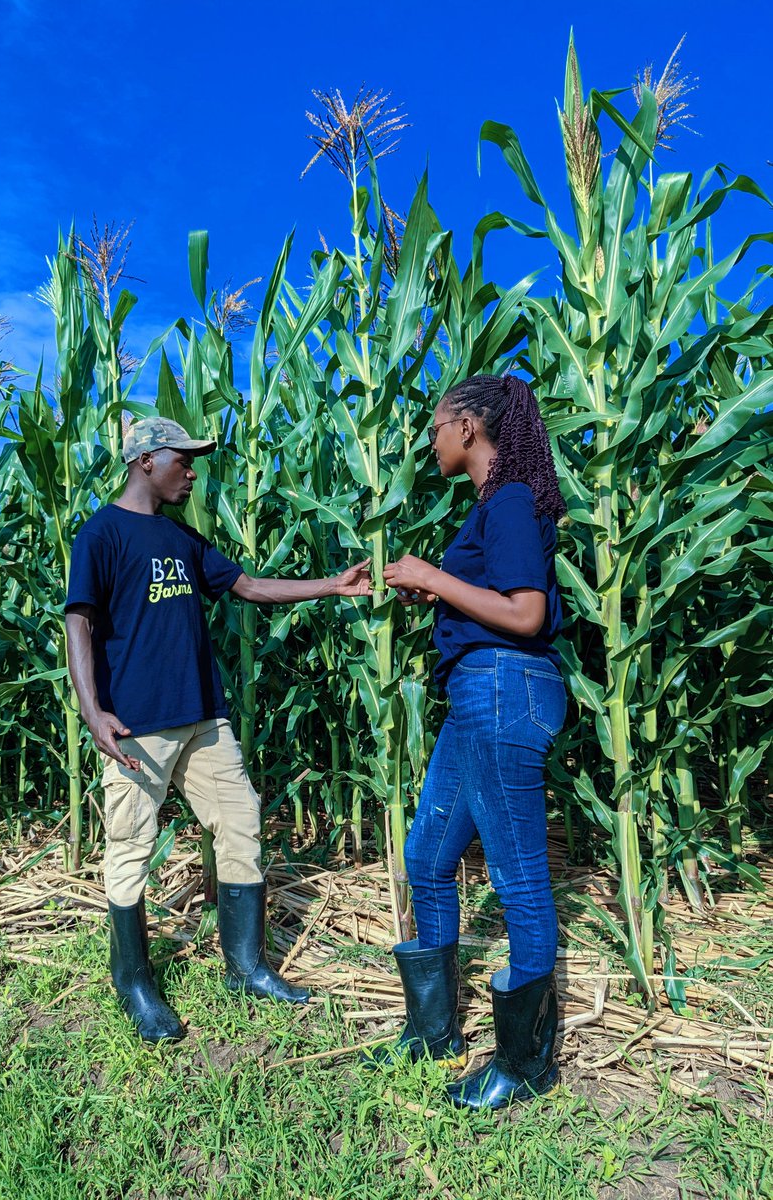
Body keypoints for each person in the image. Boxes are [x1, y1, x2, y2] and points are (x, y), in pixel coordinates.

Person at [65, 416, 371, 1043]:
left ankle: (247, 966)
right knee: (129, 848)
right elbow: (79, 624)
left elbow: (249, 586)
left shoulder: (183, 539)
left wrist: (332, 587)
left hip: (204, 715)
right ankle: (133, 981)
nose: (194, 471)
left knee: (241, 822)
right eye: (184, 459)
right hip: (137, 726)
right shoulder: (100, 535)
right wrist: (93, 711)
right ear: (146, 459)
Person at [379, 374, 567, 1111]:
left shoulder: (512, 498)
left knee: (518, 879)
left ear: (468, 426)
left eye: (435, 425)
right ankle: (433, 1031)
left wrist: (431, 573)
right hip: (475, 695)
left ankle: (525, 1067)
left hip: (503, 690)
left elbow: (524, 614)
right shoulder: (494, 507)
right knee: (427, 857)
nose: (430, 439)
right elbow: (493, 599)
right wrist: (439, 589)